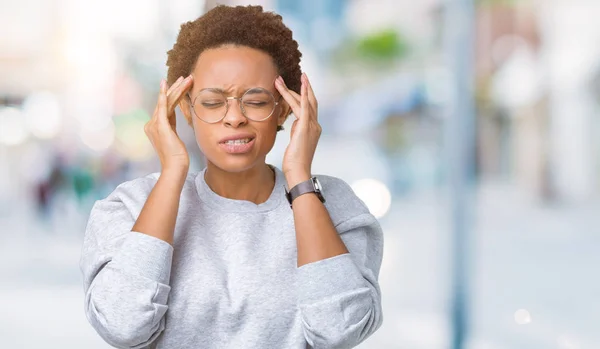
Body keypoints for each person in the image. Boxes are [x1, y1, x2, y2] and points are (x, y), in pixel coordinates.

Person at [80, 5, 384, 349]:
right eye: (212, 103)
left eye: (256, 101)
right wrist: (172, 173)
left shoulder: (335, 205)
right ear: (184, 108)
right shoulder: (129, 207)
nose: (235, 118)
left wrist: (299, 179)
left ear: (285, 108)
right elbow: (122, 327)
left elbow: (339, 331)